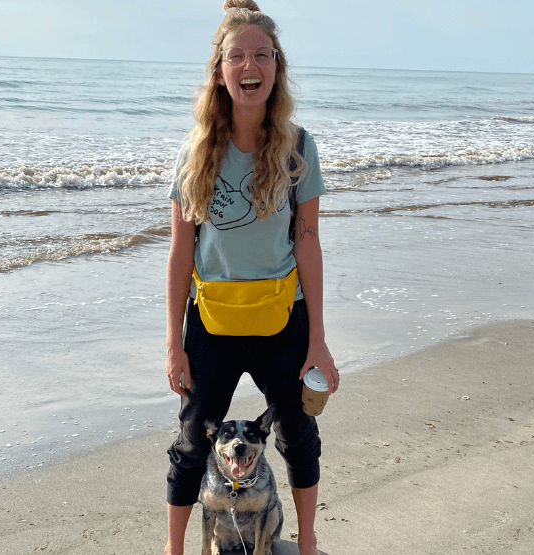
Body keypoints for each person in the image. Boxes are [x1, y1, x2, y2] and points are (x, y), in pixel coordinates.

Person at [164, 1, 339, 554]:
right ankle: (173, 551)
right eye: (237, 55)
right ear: (220, 70)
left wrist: (318, 340)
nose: (250, 65)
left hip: (282, 317)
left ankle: (305, 545)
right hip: (211, 322)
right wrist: (174, 342)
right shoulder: (196, 153)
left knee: (299, 438)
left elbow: (307, 244)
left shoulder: (298, 146)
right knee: (192, 444)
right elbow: (179, 252)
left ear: (275, 67)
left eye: (261, 54)